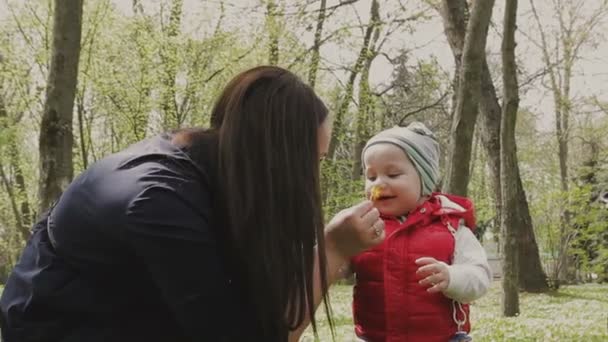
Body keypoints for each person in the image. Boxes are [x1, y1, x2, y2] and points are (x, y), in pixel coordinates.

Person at [0, 66, 385, 342]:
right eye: (312, 162)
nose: (313, 179)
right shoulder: (160, 201)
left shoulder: (209, 169)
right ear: (276, 159)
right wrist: (333, 249)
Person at [347, 122, 492, 342]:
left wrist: (452, 277)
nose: (379, 184)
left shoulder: (451, 227)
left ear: (425, 181)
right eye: (371, 176)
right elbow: (335, 263)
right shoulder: (364, 226)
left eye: (393, 174)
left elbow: (480, 277)